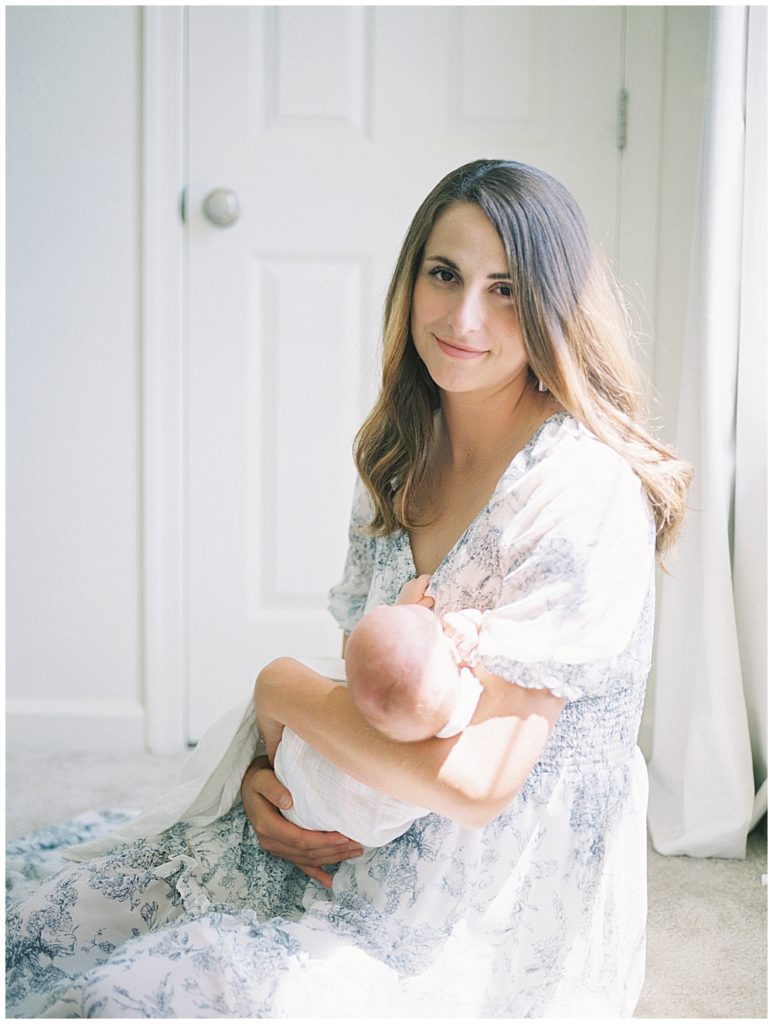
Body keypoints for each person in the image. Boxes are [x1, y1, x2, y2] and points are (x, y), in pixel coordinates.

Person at [6, 158, 692, 1018]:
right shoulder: (404, 451)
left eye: (506, 289)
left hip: (482, 897)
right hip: (364, 813)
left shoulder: (577, 489)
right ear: (411, 280)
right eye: (444, 275)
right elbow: (381, 681)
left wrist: (278, 689)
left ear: (553, 306)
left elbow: (477, 786)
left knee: (157, 992)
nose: (463, 317)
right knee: (50, 920)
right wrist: (267, 775)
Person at [269, 575, 485, 847]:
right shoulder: (449, 712)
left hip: (304, 804)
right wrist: (468, 629)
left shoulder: (397, 699)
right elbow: (392, 663)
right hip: (366, 824)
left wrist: (404, 610)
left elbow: (381, 664)